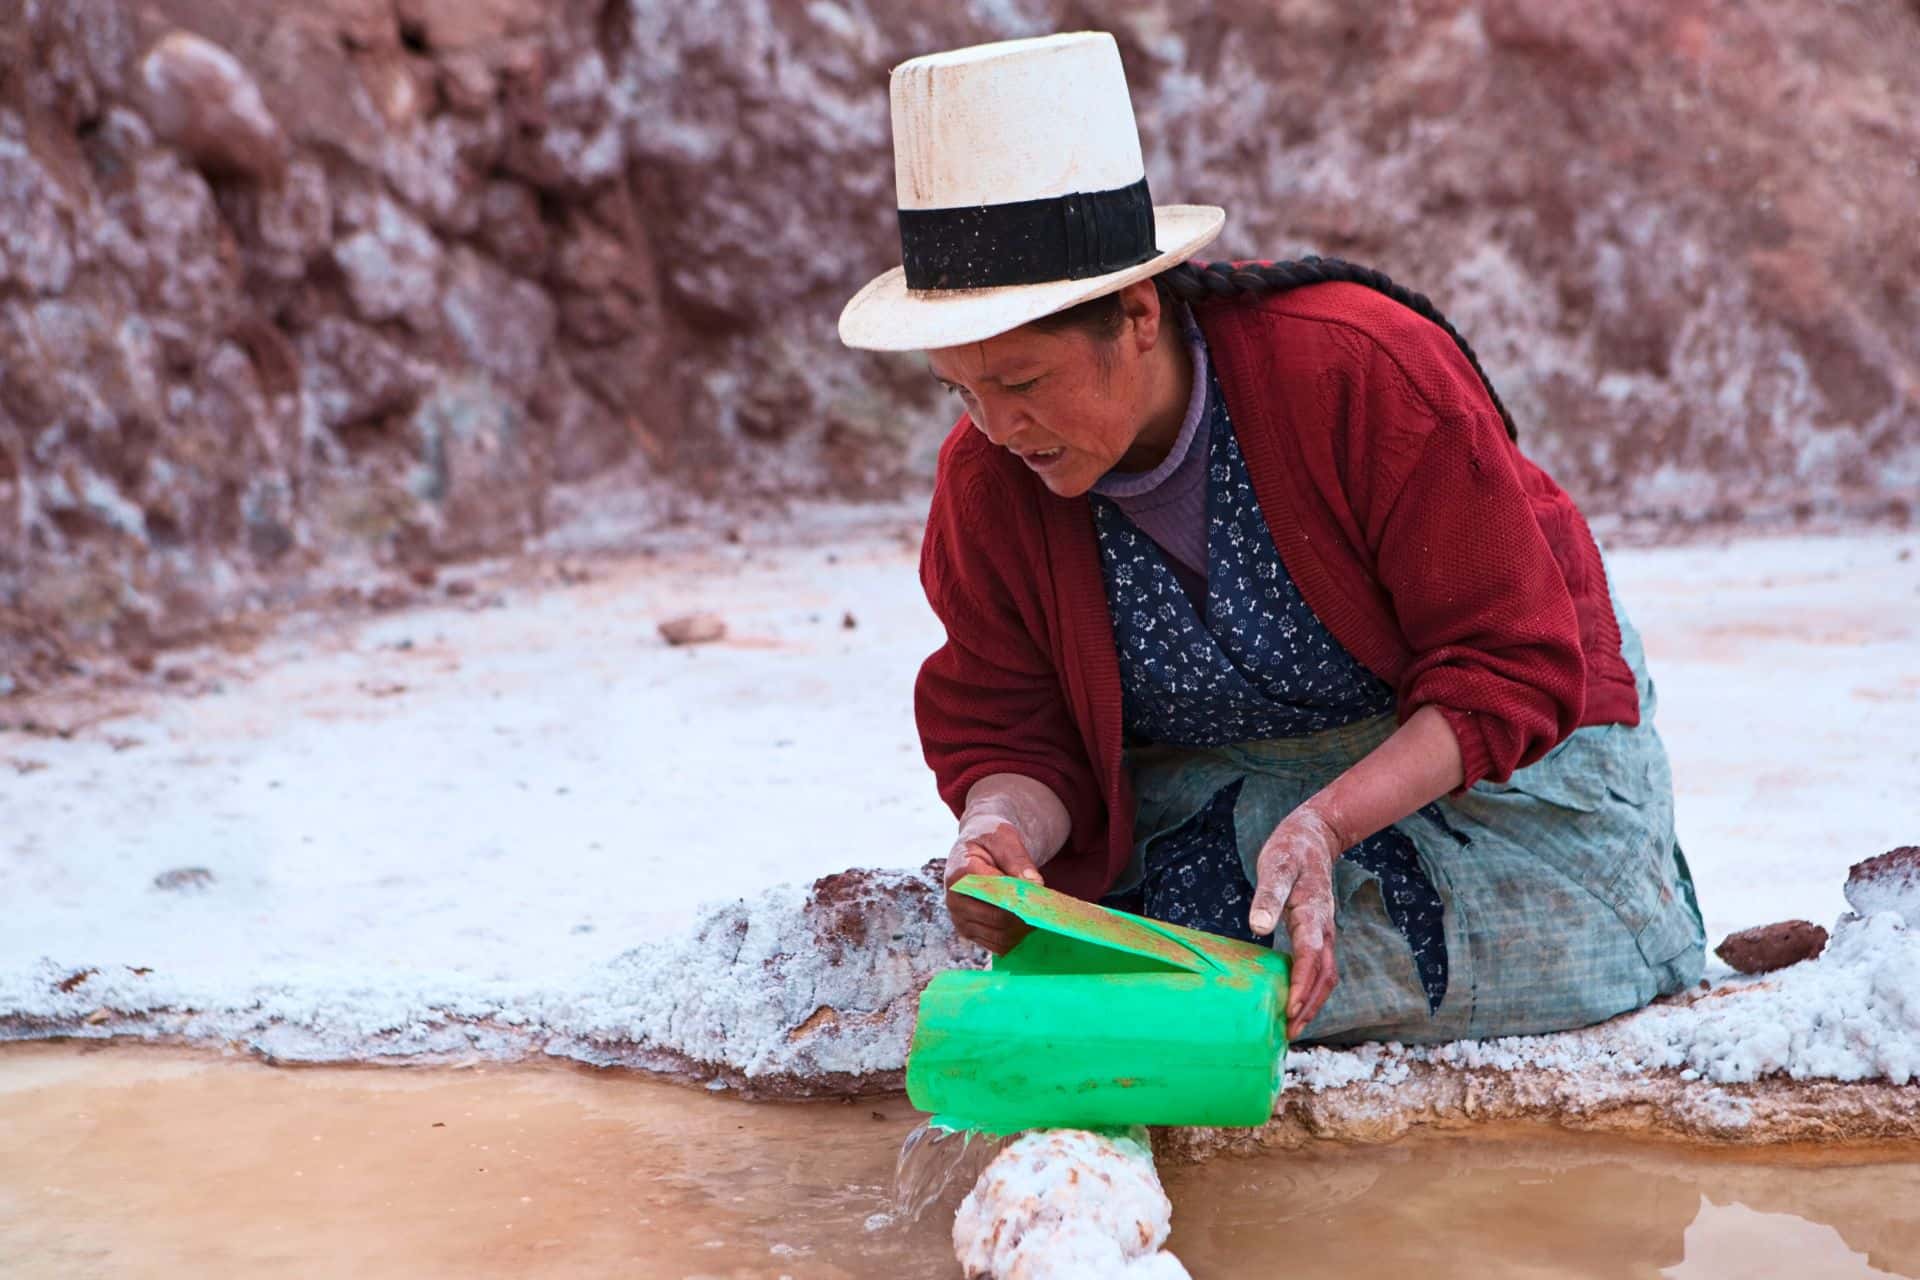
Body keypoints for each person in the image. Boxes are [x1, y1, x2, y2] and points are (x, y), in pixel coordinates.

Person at [838, 32, 1704, 1044]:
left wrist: (1328, 823)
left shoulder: (1359, 372)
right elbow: (1018, 731)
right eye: (960, 389)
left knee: (1528, 948)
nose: (993, 427)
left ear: (1137, 313)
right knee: (1154, 969)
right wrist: (998, 829)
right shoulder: (988, 483)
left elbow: (1506, 663)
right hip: (1231, 792)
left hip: (1499, 768)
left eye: (1022, 383)